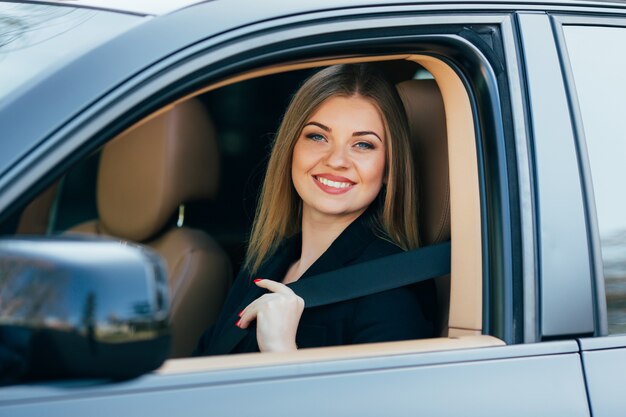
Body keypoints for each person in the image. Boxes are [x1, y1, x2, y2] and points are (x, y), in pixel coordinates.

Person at [195, 63, 436, 356]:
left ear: (388, 168)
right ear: (290, 148)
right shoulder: (265, 262)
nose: (336, 161)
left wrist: (282, 351)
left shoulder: (391, 294)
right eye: (318, 137)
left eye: (362, 144)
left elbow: (383, 402)